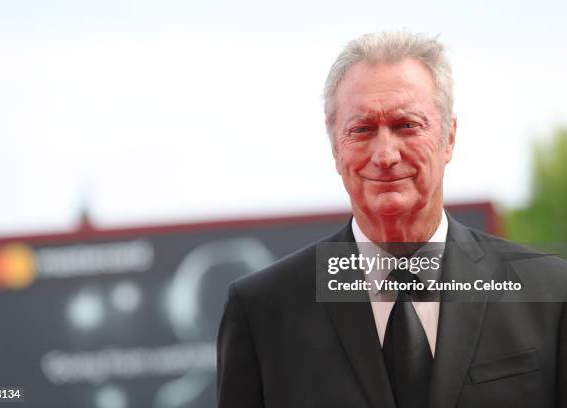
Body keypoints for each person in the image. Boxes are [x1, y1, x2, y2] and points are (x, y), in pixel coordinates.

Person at [216, 31, 567, 408]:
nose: (385, 155)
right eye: (362, 129)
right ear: (335, 148)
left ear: (448, 138)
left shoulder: (549, 293)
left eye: (406, 125)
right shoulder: (263, 311)